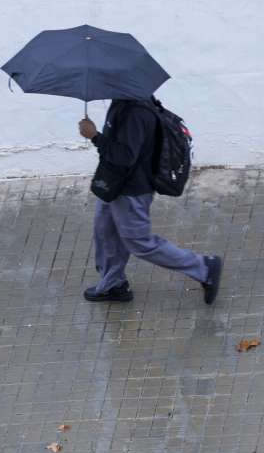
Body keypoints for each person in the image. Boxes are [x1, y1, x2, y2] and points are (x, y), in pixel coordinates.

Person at [78, 97, 223, 303]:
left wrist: (94, 136)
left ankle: (203, 267)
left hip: (132, 190)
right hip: (114, 182)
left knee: (139, 242)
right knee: (106, 230)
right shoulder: (124, 100)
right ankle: (113, 284)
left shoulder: (136, 112)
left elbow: (124, 157)